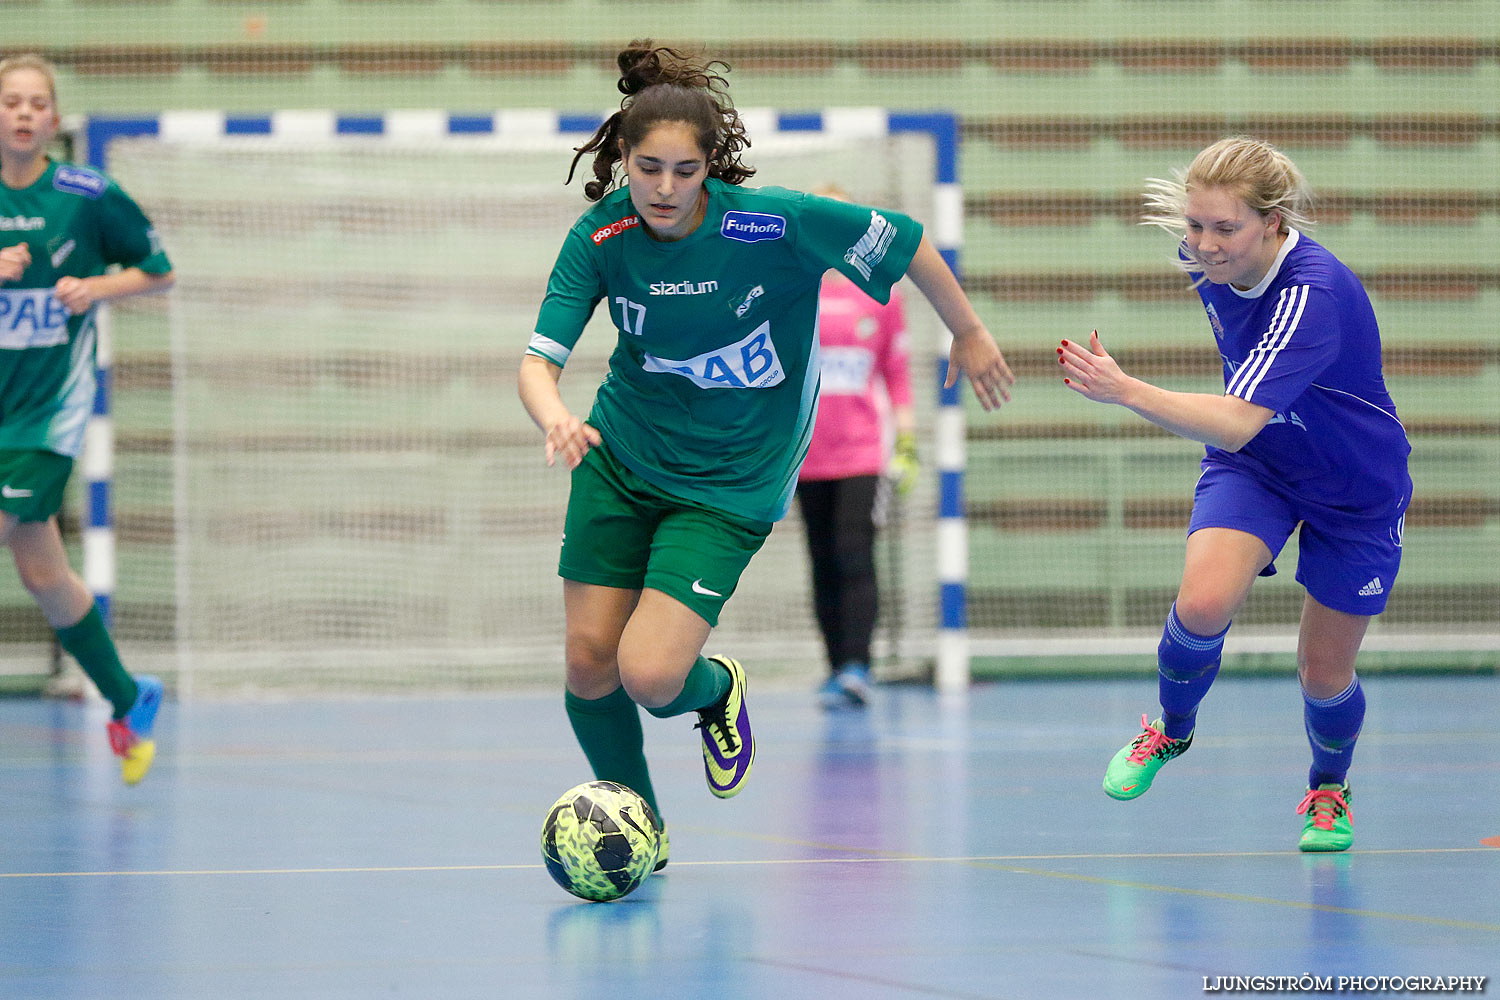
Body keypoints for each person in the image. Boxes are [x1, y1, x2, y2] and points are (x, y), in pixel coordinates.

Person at [519, 40, 1013, 869]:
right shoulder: (601, 236)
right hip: (621, 458)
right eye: (648, 170)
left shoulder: (775, 224)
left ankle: (718, 692)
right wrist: (554, 417)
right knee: (587, 662)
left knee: (649, 674)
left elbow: (907, 242)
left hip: (729, 484)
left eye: (684, 170)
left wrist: (968, 331)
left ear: (711, 166)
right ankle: (641, 828)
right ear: (623, 162)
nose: (665, 190)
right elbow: (540, 360)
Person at [1058, 136, 1411, 852]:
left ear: (1275, 223)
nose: (1204, 245)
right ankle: (1169, 729)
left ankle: (1328, 789)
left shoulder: (1312, 293)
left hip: (1354, 485)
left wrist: (1125, 390)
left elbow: (1236, 415)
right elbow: (1248, 432)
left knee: (1323, 669)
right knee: (1203, 603)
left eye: (1226, 229)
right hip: (1261, 465)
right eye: (1195, 225)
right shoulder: (1208, 264)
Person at [1, 53, 174, 785]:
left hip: (46, 415)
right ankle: (129, 699)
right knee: (42, 571)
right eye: (11, 101)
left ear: (54, 118)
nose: (23, 113)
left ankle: (126, 696)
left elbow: (159, 274)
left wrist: (96, 287)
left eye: (37, 103)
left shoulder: (87, 193)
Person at [795, 184, 917, 710]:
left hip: (862, 452)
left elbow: (896, 370)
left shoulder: (880, 292)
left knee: (854, 554)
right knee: (820, 559)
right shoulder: (790, 286)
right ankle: (833, 667)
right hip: (802, 455)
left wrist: (907, 438)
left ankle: (857, 667)